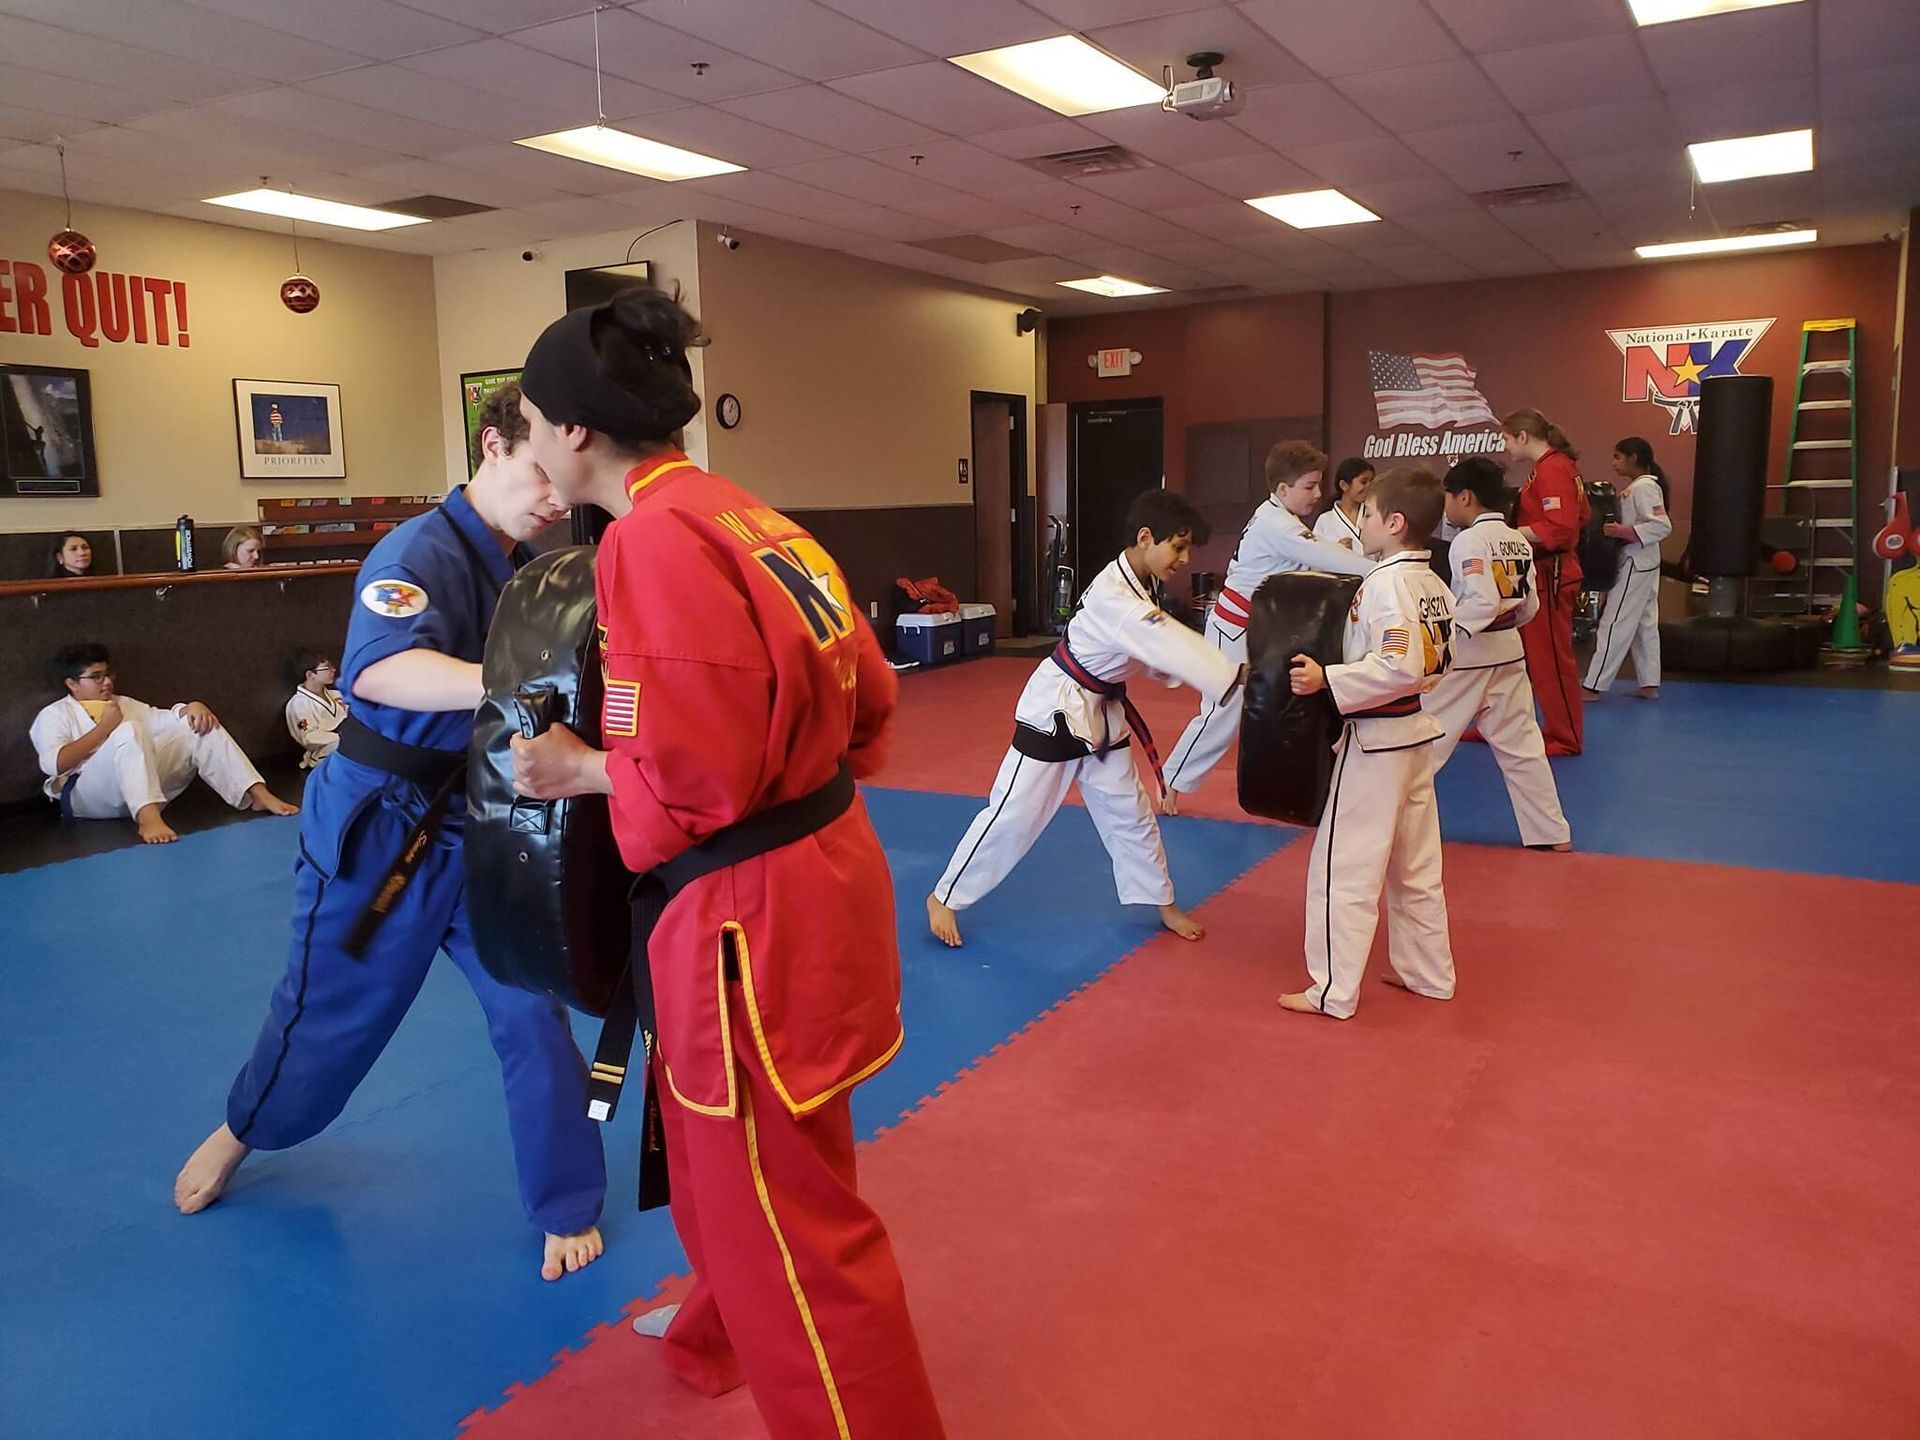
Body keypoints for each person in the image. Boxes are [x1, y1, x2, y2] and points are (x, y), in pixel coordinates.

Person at [507, 290, 947, 1438]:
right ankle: (717, 1326)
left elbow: (688, 780)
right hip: (822, 871)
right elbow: (873, 695)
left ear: (576, 433)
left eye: (531, 421)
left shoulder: (650, 538)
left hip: (746, 907)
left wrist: (578, 768)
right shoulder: (747, 512)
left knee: (797, 1229)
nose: (533, 442)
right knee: (734, 1157)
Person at [173, 382, 609, 1286]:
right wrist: (521, 675)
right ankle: (246, 1126)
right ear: (490, 446)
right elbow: (383, 673)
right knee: (332, 1018)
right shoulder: (418, 551)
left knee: (534, 1011)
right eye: (538, 472)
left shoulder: (534, 558)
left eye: (564, 478)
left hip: (488, 824)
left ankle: (565, 1201)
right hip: (383, 825)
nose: (555, 495)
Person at [931, 487, 1243, 945]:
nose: (1183, 559)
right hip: (1058, 709)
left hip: (1102, 711)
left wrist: (1186, 670)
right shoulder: (1116, 597)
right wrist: (1236, 675)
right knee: (1016, 813)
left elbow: (1151, 649)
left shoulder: (1144, 585)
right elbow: (1163, 641)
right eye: (1177, 547)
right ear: (1144, 538)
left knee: (1130, 812)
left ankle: (1162, 901)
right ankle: (945, 895)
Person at [1280, 468, 1456, 1020]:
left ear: (1394, 523)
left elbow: (1398, 664)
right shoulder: (1433, 583)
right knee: (1416, 868)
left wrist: (1327, 679)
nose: (1361, 521)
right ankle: (1426, 974)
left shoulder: (1385, 583)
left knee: (1343, 867)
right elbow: (1431, 662)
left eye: (1369, 514)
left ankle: (1332, 990)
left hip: (1378, 740)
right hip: (1415, 738)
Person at [1161, 441, 1371, 813]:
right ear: (1283, 489)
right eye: (1309, 486)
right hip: (1234, 629)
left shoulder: (1280, 518)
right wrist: (1381, 569)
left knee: (1274, 706)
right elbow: (1323, 555)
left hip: (1254, 629)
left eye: (1317, 484)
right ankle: (1171, 782)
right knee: (1222, 712)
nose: (1317, 493)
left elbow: (1314, 557)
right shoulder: (1278, 525)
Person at [1427, 458, 1571, 851]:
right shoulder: (1517, 539)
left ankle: (1386, 824)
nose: (1446, 507)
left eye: (1448, 498)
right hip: (1509, 650)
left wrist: (1445, 636)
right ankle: (1551, 832)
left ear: (1465, 496)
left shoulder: (1469, 541)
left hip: (1471, 654)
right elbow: (1529, 605)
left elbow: (1482, 601)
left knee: (1422, 740)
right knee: (1522, 745)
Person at [29, 643, 299, 845]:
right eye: (96, 676)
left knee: (197, 726)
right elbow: (54, 764)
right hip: (86, 797)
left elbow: (168, 719)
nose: (107, 682)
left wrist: (193, 706)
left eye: (108, 674)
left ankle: (256, 794)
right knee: (129, 730)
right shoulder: (54, 715)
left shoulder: (124, 704)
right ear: (72, 684)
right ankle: (148, 819)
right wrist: (104, 729)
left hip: (141, 790)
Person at [1503, 408, 1588, 756]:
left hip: (1551, 574)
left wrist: (1511, 533)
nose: (1505, 446)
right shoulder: (1553, 467)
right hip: (1541, 571)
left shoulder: (1553, 468)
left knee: (1550, 658)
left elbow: (1563, 526)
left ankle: (1565, 735)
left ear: (1522, 436)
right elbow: (1583, 514)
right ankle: (1511, 724)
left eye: (1507, 438)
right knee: (1523, 657)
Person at [1584, 436, 1673, 700]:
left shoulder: (1643, 487)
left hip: (1635, 562)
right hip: (1644, 561)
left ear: (1633, 458)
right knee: (1645, 623)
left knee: (1613, 622)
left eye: (1618, 457)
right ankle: (1650, 684)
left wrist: (1623, 531)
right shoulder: (1638, 487)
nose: (1614, 463)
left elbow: (1662, 526)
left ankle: (1593, 685)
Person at [284, 646, 348, 769]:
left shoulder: (336, 694)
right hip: (328, 750)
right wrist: (342, 736)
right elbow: (309, 737)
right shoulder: (299, 704)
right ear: (310, 675)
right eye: (327, 667)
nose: (333, 670)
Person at [1313, 456, 1374, 553]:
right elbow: (1315, 557)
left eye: (1372, 481)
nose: (1369, 486)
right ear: (1344, 485)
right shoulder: (1325, 521)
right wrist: (1336, 550)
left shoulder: (1374, 515)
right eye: (1363, 482)